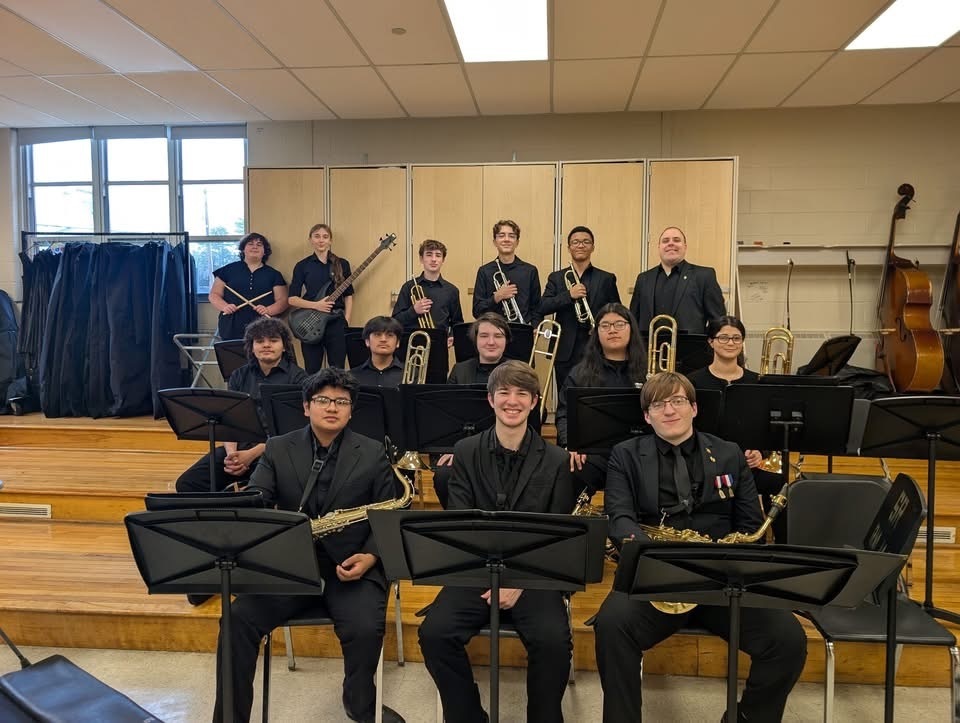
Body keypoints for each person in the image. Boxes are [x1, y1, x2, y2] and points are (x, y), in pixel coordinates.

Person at [594, 371, 807, 723]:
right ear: (647, 416)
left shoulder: (728, 453)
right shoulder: (625, 455)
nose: (669, 410)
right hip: (655, 577)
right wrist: (652, 557)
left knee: (787, 641)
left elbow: (750, 525)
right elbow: (619, 518)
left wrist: (733, 562)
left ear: (694, 408)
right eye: (658, 404)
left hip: (722, 581)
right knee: (611, 626)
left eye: (677, 401)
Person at [212, 368, 405, 723]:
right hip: (290, 566)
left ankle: (359, 703)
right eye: (322, 400)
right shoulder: (277, 448)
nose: (332, 407)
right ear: (306, 407)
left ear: (350, 411)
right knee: (236, 619)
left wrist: (371, 555)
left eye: (341, 401)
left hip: (352, 565)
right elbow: (258, 498)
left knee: (364, 628)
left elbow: (386, 516)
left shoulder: (374, 452)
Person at [418, 361, 574, 723]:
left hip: (534, 575)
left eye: (522, 394)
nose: (512, 401)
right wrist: (492, 577)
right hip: (476, 572)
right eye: (504, 392)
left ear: (535, 402)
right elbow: (461, 526)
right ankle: (468, 716)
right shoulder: (467, 450)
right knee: (435, 634)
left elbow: (558, 535)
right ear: (490, 399)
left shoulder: (556, 459)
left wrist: (517, 580)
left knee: (553, 641)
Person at [175, 317, 307, 496]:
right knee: (188, 484)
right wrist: (232, 455)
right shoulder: (239, 375)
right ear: (251, 347)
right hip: (238, 448)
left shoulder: (299, 379)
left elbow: (293, 430)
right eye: (259, 341)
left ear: (284, 346)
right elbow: (227, 419)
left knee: (259, 492)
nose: (266, 345)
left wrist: (250, 455)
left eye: (273, 340)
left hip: (276, 451)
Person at [687, 315, 784, 536]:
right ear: (711, 341)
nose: (730, 343)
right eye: (723, 338)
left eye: (736, 338)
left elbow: (768, 428)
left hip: (748, 465)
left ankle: (784, 544)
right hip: (704, 464)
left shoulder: (757, 382)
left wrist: (760, 452)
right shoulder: (693, 382)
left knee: (781, 483)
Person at [556, 303, 646, 496]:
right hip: (593, 454)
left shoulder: (649, 371)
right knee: (570, 470)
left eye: (619, 324)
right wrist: (571, 445)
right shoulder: (579, 373)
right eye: (604, 326)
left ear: (632, 328)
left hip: (639, 454)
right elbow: (564, 415)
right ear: (596, 333)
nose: (612, 330)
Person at [434, 313, 511, 508]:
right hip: (466, 448)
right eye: (484, 336)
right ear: (475, 340)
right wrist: (453, 449)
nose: (491, 342)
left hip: (507, 450)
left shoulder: (517, 370)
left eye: (498, 336)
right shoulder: (460, 370)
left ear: (506, 340)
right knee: (443, 475)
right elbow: (447, 416)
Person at [540, 226, 621, 388]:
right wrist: (568, 295)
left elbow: (617, 312)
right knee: (566, 396)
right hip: (564, 348)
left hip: (597, 346)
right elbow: (543, 306)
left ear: (593, 247)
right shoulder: (556, 278)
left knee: (593, 393)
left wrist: (601, 326)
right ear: (569, 247)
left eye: (586, 242)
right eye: (575, 242)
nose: (581, 245)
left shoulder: (606, 278)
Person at [628, 226, 725, 333]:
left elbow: (718, 321)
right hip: (648, 348)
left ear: (685, 246)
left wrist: (703, 345)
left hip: (691, 348)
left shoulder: (704, 276)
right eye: (665, 241)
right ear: (659, 247)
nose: (671, 243)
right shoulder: (643, 279)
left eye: (676, 240)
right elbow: (633, 319)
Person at [289, 223, 354, 373]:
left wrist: (347, 319)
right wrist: (315, 305)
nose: (321, 240)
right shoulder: (302, 265)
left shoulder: (342, 264)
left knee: (337, 368)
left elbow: (348, 295)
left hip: (336, 322)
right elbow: (292, 299)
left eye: (325, 237)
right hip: (310, 320)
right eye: (317, 236)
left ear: (330, 241)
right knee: (312, 368)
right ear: (310, 240)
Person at [208, 233, 288, 341]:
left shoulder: (274, 274)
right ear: (243, 249)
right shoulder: (228, 270)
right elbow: (214, 294)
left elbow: (283, 301)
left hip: (263, 324)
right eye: (250, 244)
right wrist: (224, 306)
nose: (255, 246)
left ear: (265, 251)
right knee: (233, 356)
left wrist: (268, 310)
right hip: (231, 324)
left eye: (259, 245)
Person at [472, 219, 541, 325]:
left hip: (522, 331)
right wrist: (497, 297)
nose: (506, 239)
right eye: (501, 235)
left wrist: (535, 326)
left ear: (517, 242)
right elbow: (477, 311)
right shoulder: (484, 271)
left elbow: (537, 307)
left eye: (512, 236)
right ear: (495, 242)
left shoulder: (530, 271)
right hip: (493, 331)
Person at [392, 239, 464, 340]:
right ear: (421, 259)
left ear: (443, 260)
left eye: (438, 255)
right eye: (429, 255)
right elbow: (395, 321)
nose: (433, 259)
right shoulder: (409, 287)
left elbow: (457, 322)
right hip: (411, 344)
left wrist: (452, 335)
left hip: (439, 344)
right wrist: (413, 310)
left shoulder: (452, 291)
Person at [350, 316, 404, 388]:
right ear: (367, 341)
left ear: (397, 343)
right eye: (377, 334)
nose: (383, 339)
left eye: (390, 335)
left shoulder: (410, 374)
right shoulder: (352, 376)